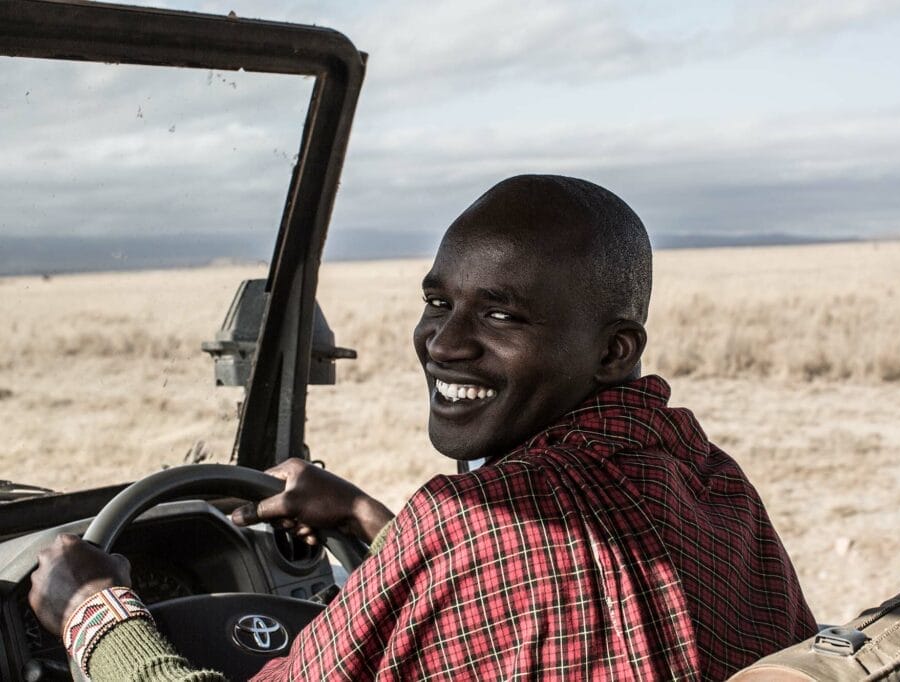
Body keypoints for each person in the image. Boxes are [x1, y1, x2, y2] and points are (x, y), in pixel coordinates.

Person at [30, 175, 817, 680]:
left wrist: (95, 610)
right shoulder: (705, 479)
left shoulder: (470, 530)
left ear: (614, 351)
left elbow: (502, 568)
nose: (443, 342)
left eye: (502, 314)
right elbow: (520, 588)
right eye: (438, 302)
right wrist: (369, 520)